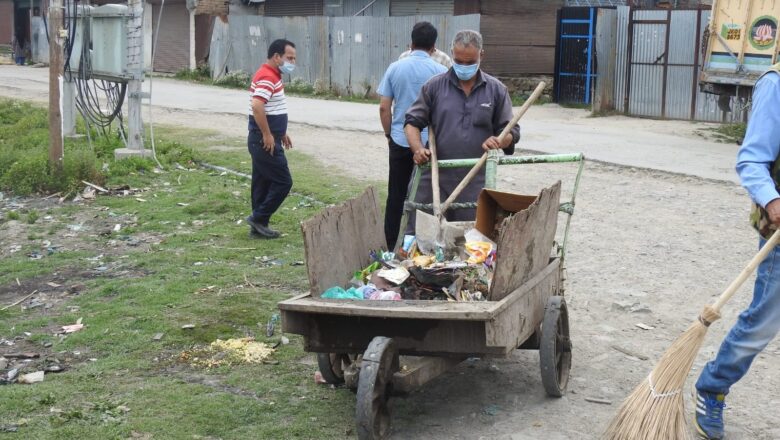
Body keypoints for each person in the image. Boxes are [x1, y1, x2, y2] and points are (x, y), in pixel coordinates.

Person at [693, 62, 780, 440]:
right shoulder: (776, 85)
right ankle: (713, 386)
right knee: (762, 323)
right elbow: (752, 159)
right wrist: (773, 201)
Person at [403, 29, 519, 229]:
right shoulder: (434, 86)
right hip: (434, 175)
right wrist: (417, 149)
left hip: (474, 179)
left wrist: (500, 140)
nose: (463, 67)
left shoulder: (496, 90)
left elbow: (512, 131)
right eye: (459, 61)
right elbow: (412, 122)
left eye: (470, 62)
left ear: (481, 55)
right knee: (422, 233)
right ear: (451, 54)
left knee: (471, 238)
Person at [378, 22, 448, 249]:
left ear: (411, 43)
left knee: (396, 195)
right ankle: (421, 245)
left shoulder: (395, 68)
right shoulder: (441, 72)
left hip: (399, 139)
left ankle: (391, 245)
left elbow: (384, 108)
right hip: (428, 144)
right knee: (425, 195)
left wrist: (389, 134)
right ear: (434, 46)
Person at [245, 39, 296, 239]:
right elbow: (258, 106)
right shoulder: (268, 76)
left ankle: (258, 226)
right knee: (283, 181)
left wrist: (281, 132)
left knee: (262, 182)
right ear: (277, 57)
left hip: (265, 137)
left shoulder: (273, 75)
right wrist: (268, 134)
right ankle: (258, 217)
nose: (292, 62)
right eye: (289, 58)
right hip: (262, 140)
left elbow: (272, 107)